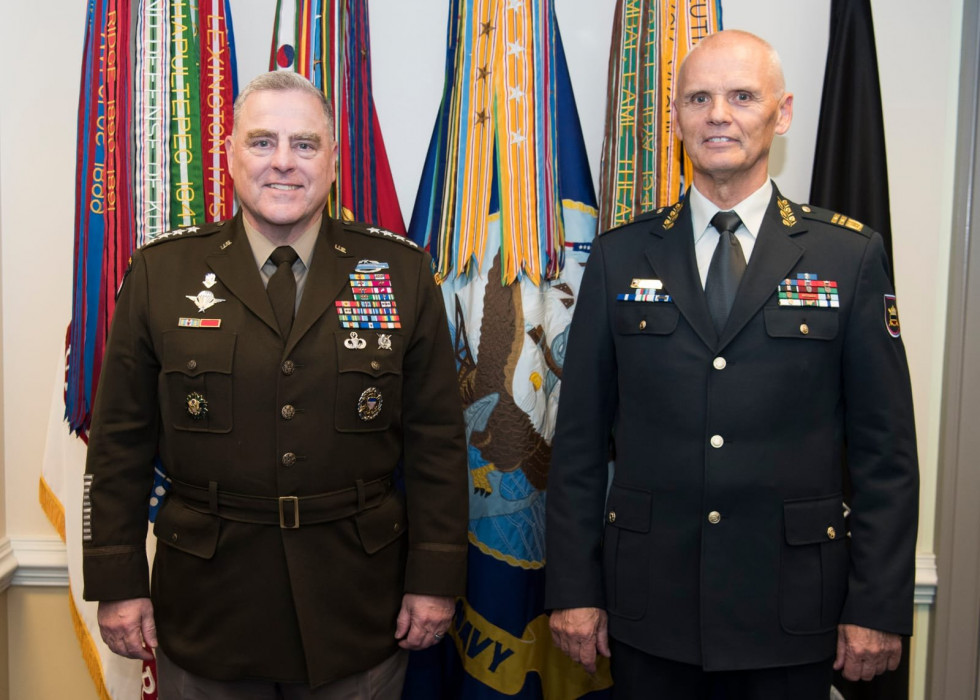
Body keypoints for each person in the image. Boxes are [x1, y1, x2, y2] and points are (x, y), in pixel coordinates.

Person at [545, 30, 918, 699]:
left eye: (742, 96)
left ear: (783, 113)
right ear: (677, 117)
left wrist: (877, 605)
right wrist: (573, 588)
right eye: (700, 98)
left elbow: (885, 454)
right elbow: (576, 447)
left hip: (793, 615)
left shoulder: (847, 258)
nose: (719, 114)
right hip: (649, 613)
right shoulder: (620, 257)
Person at [82, 70, 468, 698]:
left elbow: (438, 446)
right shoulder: (162, 272)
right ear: (228, 155)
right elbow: (120, 443)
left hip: (356, 604)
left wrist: (435, 578)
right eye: (262, 142)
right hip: (208, 605)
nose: (283, 163)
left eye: (305, 145)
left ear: (334, 160)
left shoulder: (400, 272)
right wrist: (118, 582)